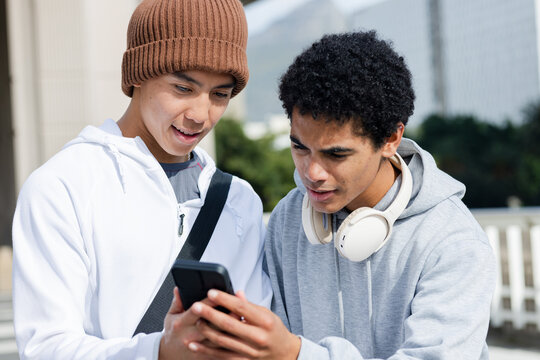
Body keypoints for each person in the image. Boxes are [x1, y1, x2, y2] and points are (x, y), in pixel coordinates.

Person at [183, 31, 496, 359]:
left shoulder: (453, 243)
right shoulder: (290, 218)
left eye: (336, 155)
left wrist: (295, 354)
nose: (312, 173)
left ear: (390, 139)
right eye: (299, 147)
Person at [11, 0, 272, 359]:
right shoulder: (63, 186)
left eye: (220, 95)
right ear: (137, 73)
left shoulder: (238, 200)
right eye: (183, 88)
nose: (200, 114)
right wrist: (160, 351)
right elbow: (45, 347)